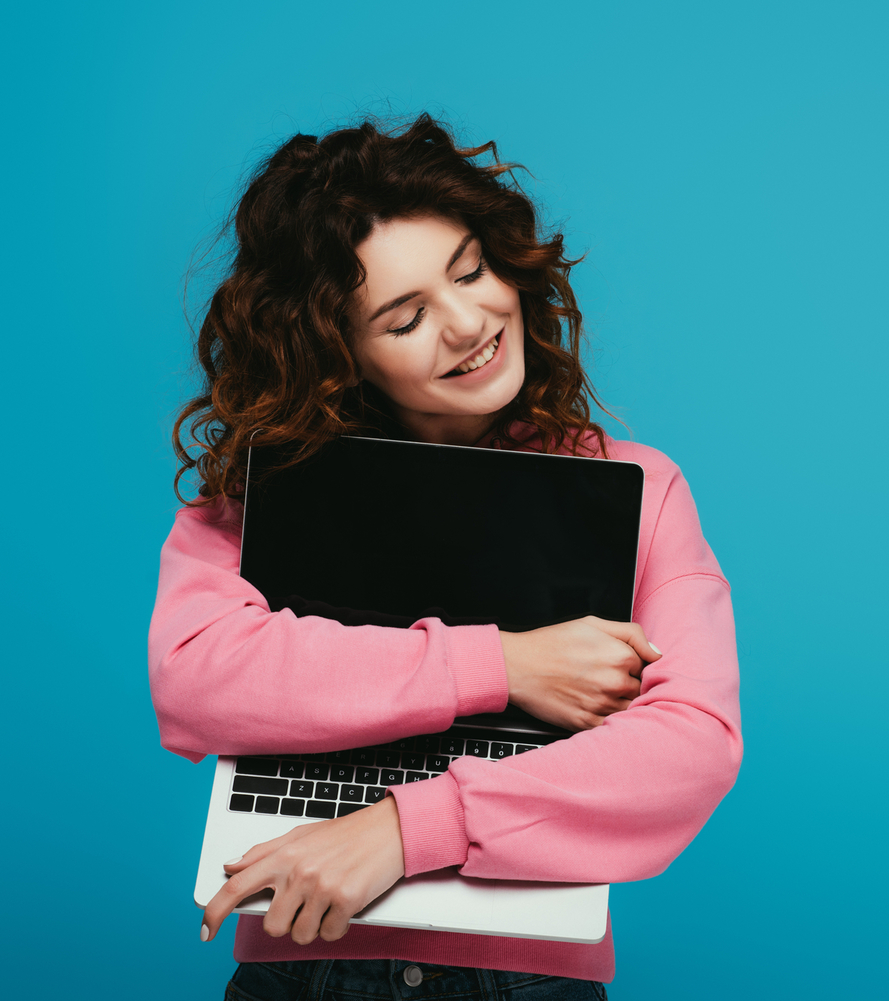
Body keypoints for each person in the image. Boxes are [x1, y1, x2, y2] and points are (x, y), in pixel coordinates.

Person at [148, 114, 742, 1000]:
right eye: (405, 317)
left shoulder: (637, 489)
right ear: (340, 354)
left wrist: (400, 828)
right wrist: (503, 663)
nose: (468, 323)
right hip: (311, 965)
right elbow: (196, 678)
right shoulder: (262, 494)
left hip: (525, 977)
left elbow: (692, 745)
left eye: (470, 271)